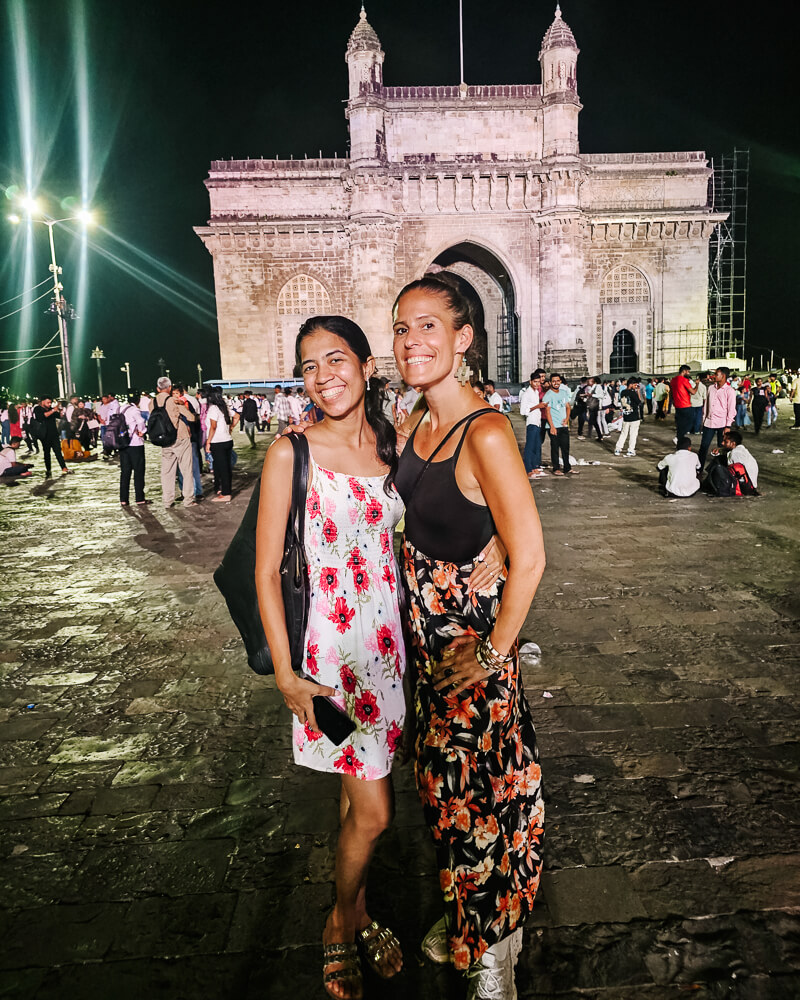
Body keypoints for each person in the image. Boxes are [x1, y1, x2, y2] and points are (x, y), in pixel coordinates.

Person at [392, 274, 545, 1000]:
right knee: (445, 793)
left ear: (463, 339)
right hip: (428, 654)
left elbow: (534, 552)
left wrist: (490, 654)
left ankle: (496, 949)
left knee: (485, 800)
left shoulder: (484, 429)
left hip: (470, 657)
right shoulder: (416, 419)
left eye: (428, 326)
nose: (410, 341)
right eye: (400, 328)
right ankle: (467, 912)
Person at [256, 316, 407, 1000]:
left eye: (337, 358)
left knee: (359, 799)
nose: (324, 376)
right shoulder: (292, 452)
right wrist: (288, 676)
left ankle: (359, 908)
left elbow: (429, 524)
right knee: (375, 812)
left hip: (390, 661)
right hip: (329, 671)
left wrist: (498, 549)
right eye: (310, 365)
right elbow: (264, 573)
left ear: (368, 365)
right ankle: (340, 924)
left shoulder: (394, 444)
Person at [154, 377, 197, 509]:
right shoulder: (173, 401)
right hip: (180, 437)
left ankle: (167, 500)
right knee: (186, 469)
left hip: (164, 440)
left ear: (157, 388)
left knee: (167, 471)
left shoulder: (152, 402)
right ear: (170, 387)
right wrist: (182, 406)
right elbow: (191, 417)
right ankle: (188, 500)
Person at [698, 367, 736, 472]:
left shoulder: (730, 391)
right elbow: (706, 405)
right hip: (709, 423)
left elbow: (731, 409)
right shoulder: (710, 388)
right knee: (704, 447)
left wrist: (728, 426)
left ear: (723, 376)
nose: (713, 376)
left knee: (722, 448)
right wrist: (704, 419)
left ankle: (721, 471)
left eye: (716, 374)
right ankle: (699, 469)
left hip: (722, 424)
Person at [205, 386, 238, 502]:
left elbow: (213, 427)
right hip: (227, 440)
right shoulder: (223, 407)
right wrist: (230, 428)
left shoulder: (213, 408)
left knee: (222, 468)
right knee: (224, 467)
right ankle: (222, 489)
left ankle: (226, 493)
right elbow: (237, 416)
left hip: (217, 442)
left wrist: (208, 442)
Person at [543, 373, 575, 476]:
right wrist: (552, 426)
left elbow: (568, 407)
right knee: (555, 448)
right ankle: (556, 468)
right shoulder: (548, 395)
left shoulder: (563, 393)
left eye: (558, 381)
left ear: (560, 381)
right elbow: (547, 412)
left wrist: (566, 419)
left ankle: (567, 468)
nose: (556, 383)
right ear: (550, 383)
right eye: (553, 381)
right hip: (554, 426)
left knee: (565, 447)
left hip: (563, 425)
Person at [119, 394, 148, 506]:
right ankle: (139, 498)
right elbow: (140, 422)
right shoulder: (135, 410)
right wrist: (142, 431)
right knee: (139, 471)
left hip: (123, 444)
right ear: (138, 400)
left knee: (125, 472)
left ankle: (123, 499)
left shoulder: (121, 408)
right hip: (135, 443)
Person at [33, 397, 70, 478]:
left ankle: (64, 468)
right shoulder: (37, 408)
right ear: (42, 402)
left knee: (58, 452)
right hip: (44, 435)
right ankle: (48, 469)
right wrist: (53, 409)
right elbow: (42, 416)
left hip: (54, 434)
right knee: (47, 453)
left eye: (50, 402)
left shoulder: (50, 409)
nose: (49, 404)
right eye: (47, 402)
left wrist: (60, 410)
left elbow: (59, 416)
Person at [519, 372, 546, 478]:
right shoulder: (527, 394)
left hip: (537, 421)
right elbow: (523, 411)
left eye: (538, 382)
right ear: (530, 382)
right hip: (531, 422)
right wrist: (537, 406)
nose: (537, 384)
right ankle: (528, 469)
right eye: (535, 382)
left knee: (536, 445)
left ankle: (535, 467)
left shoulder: (535, 393)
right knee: (529, 446)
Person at [614, 376, 643, 456]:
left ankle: (618, 449)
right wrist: (637, 392)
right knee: (633, 434)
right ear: (631, 384)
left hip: (626, 416)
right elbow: (639, 402)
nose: (636, 386)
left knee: (623, 433)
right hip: (634, 417)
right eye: (635, 385)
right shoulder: (633, 393)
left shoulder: (623, 392)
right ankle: (630, 450)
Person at [669, 365, 699, 442]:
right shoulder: (684, 380)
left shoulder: (673, 380)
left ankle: (679, 438)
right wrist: (697, 384)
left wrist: (673, 401)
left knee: (680, 423)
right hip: (685, 404)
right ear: (684, 371)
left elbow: (671, 393)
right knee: (690, 422)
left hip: (677, 405)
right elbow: (693, 392)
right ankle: (678, 437)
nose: (689, 373)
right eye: (688, 371)